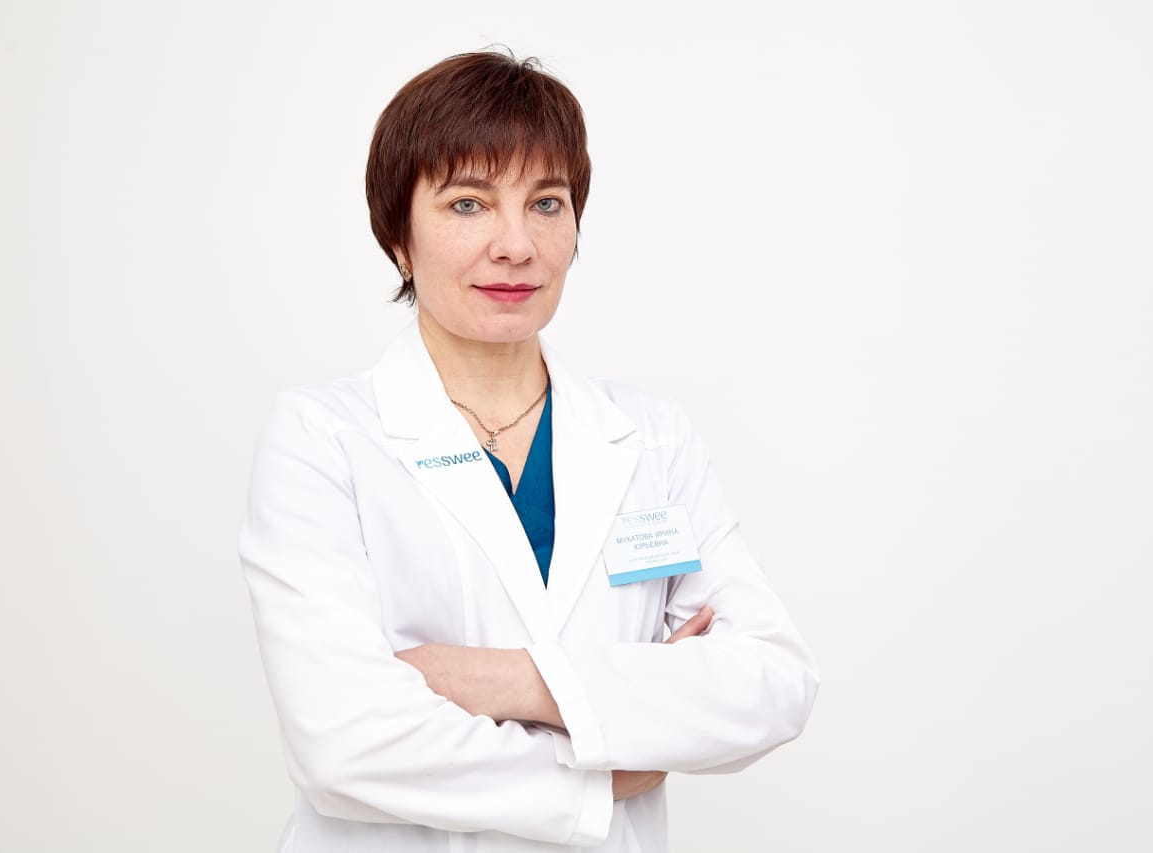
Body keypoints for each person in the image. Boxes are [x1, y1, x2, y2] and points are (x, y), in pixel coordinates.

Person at [239, 49, 819, 853]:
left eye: (546, 202)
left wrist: (506, 680)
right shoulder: (323, 438)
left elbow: (772, 681)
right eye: (469, 204)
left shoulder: (649, 437)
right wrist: (611, 759)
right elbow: (343, 745)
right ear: (398, 237)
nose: (516, 244)